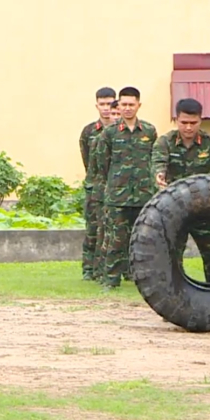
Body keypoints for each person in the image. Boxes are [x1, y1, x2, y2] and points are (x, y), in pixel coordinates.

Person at [151, 98, 210, 283]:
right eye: (184, 123)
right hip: (174, 208)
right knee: (170, 255)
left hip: (204, 207)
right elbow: (158, 163)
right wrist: (159, 175)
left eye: (193, 123)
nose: (188, 128)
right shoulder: (164, 142)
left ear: (200, 121)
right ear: (176, 120)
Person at [92, 86, 157, 289]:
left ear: (139, 105)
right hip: (117, 196)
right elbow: (102, 163)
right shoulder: (110, 133)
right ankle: (111, 280)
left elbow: (155, 159)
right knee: (116, 240)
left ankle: (144, 280)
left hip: (143, 195)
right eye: (124, 104)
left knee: (144, 239)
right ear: (118, 105)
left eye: (131, 104)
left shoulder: (149, 131)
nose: (127, 108)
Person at [79, 86, 118, 280]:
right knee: (93, 230)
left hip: (117, 188)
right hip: (96, 187)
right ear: (96, 105)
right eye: (102, 104)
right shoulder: (89, 132)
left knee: (113, 231)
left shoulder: (119, 131)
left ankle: (110, 270)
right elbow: (88, 161)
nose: (106, 108)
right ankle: (88, 270)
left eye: (109, 104)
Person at [89, 99, 121, 282]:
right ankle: (99, 272)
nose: (116, 117)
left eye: (118, 114)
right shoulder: (102, 137)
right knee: (103, 234)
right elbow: (96, 165)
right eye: (114, 113)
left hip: (129, 194)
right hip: (105, 190)